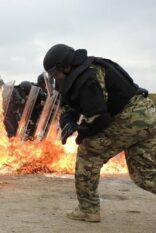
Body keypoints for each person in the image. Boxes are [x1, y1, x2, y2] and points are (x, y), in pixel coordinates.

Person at [43, 43, 156, 222]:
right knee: (144, 174)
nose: (56, 78)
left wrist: (82, 133)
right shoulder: (85, 70)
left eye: (56, 73)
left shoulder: (88, 78)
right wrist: (68, 121)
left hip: (130, 118)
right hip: (148, 116)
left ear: (65, 65)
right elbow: (70, 104)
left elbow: (99, 118)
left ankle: (88, 210)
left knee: (88, 154)